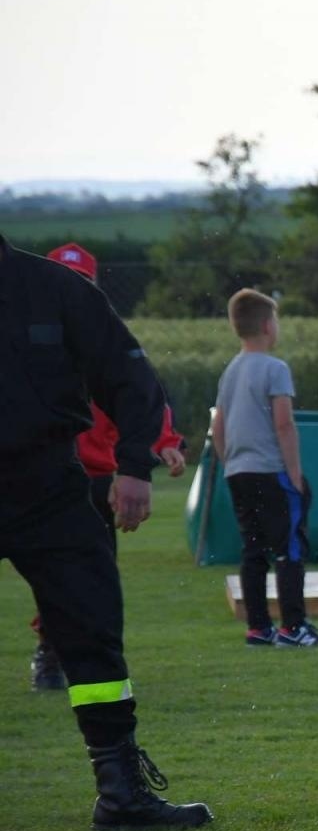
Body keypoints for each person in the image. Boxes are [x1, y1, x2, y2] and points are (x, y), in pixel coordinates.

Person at [0, 232, 212, 831]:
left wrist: (134, 466)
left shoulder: (55, 290)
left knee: (92, 631)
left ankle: (121, 793)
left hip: (47, 486)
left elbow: (129, 376)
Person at [27, 244, 188, 692]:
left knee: (94, 579)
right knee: (52, 572)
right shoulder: (29, 340)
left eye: (83, 280)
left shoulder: (104, 343)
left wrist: (166, 443)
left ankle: (87, 660)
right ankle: (50, 652)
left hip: (102, 479)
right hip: (48, 478)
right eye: (66, 278)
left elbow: (139, 398)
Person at [210, 288, 318, 647]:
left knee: (252, 549)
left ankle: (258, 627)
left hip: (238, 471)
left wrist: (230, 463)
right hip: (271, 470)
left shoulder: (230, 371)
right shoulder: (275, 368)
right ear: (267, 325)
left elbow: (218, 427)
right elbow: (283, 424)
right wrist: (293, 474)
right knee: (289, 548)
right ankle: (294, 626)